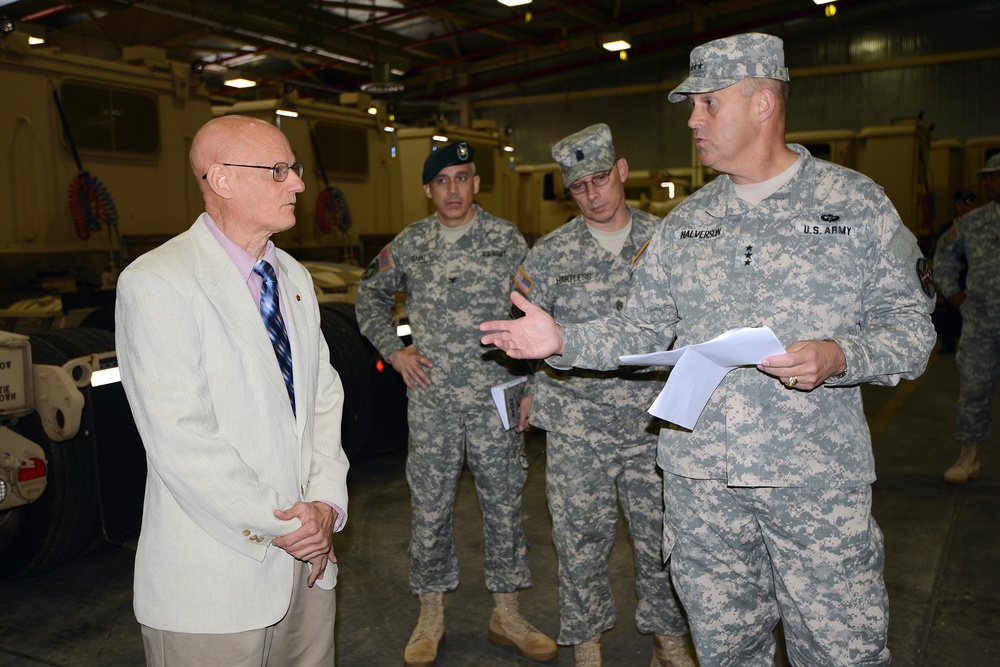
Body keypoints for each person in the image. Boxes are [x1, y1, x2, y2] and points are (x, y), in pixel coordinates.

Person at [481, 32, 936, 667]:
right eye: (690, 106)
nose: (692, 120)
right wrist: (563, 340)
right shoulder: (687, 224)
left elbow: (912, 331)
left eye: (708, 104)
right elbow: (639, 331)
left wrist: (839, 355)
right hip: (700, 491)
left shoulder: (854, 204)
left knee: (842, 655)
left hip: (814, 488)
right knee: (724, 655)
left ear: (763, 104)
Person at [115, 115, 350, 666]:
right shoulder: (157, 282)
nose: (297, 184)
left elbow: (322, 399)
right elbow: (181, 437)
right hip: (214, 581)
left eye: (293, 169)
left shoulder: (292, 276)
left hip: (309, 567)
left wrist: (325, 506)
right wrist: (290, 526)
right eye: (278, 170)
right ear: (220, 179)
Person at [355, 141, 557, 667]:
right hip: (433, 400)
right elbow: (368, 295)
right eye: (442, 181)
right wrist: (394, 353)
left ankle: (507, 615)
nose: (453, 190)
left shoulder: (505, 239)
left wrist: (534, 384)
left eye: (462, 178)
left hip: (498, 394)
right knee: (429, 509)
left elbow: (534, 312)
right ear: (428, 189)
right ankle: (430, 616)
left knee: (506, 506)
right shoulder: (412, 243)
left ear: (476, 183)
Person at [513, 123, 693, 667]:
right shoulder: (547, 256)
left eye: (599, 178)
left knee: (663, 544)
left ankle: (668, 637)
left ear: (621, 171)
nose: (592, 194)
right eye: (578, 187)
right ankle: (587, 645)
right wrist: (524, 391)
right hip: (576, 427)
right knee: (578, 545)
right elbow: (518, 332)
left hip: (652, 425)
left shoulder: (670, 243)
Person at [934, 154, 1000, 483]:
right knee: (973, 389)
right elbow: (943, 255)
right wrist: (956, 297)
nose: (988, 182)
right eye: (986, 177)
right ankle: (969, 457)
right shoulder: (972, 222)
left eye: (995, 176)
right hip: (981, 324)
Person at [933, 189, 977, 353]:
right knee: (951, 311)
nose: (964, 208)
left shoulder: (981, 226)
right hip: (956, 276)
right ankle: (948, 342)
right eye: (960, 205)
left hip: (974, 276)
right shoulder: (950, 228)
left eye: (967, 204)